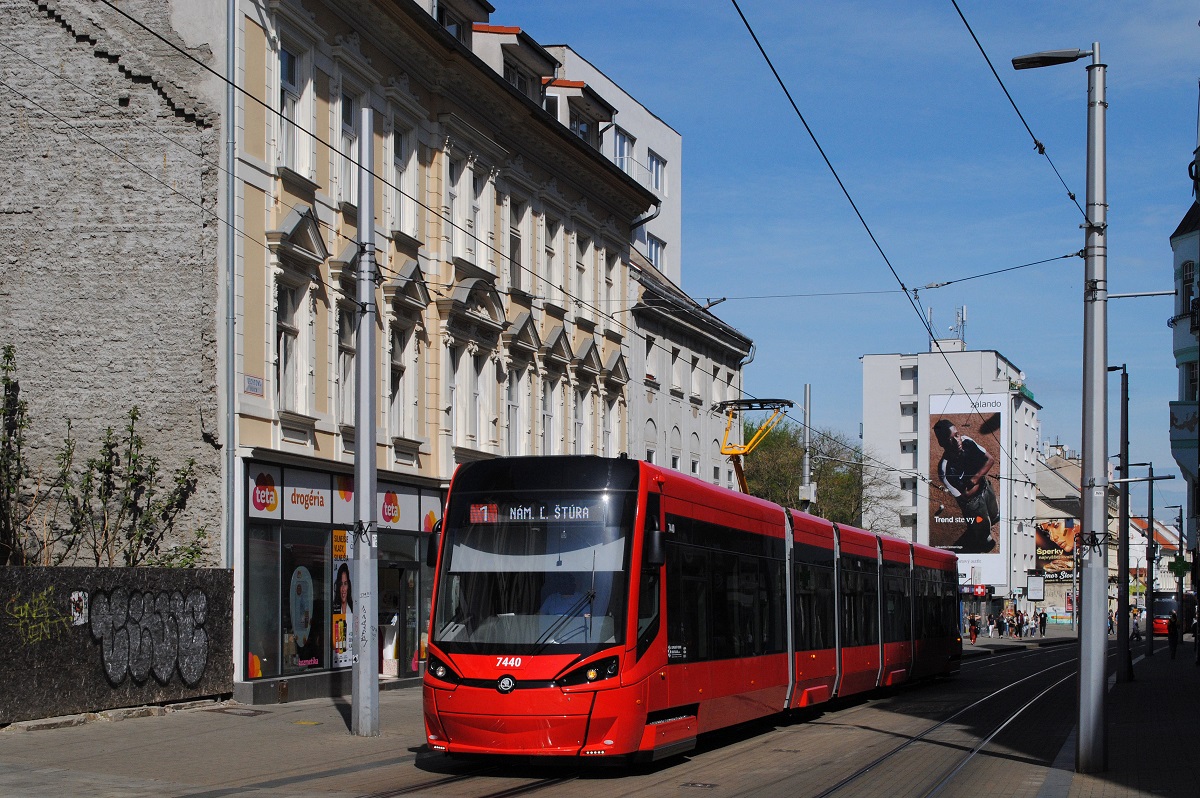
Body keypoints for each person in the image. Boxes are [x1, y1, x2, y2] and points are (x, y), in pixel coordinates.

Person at [933, 420, 999, 552]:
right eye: (950, 439)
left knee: (995, 514)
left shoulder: (967, 441)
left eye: (957, 435)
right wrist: (981, 474)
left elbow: (990, 460)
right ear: (942, 443)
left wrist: (976, 478)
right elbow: (965, 496)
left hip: (985, 487)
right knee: (984, 537)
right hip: (973, 504)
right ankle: (982, 537)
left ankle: (987, 522)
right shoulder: (945, 469)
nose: (957, 441)